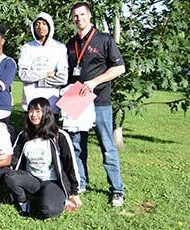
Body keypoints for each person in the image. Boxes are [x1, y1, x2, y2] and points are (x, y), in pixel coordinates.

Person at [66, 2, 126, 206]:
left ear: (89, 16)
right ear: (72, 19)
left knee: (106, 145)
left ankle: (117, 189)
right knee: (76, 146)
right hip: (76, 100)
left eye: (82, 14)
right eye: (75, 15)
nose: (78, 18)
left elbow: (119, 69)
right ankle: (81, 182)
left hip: (100, 101)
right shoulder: (70, 43)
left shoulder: (104, 39)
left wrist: (94, 82)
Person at [4, 98, 81, 219]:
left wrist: (74, 192)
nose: (33, 115)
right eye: (30, 111)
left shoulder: (59, 136)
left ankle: (59, 199)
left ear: (46, 112)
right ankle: (24, 203)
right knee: (10, 177)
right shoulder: (24, 135)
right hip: (31, 180)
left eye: (38, 111)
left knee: (46, 211)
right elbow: (14, 157)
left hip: (52, 182)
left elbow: (70, 164)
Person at [18, 12, 68, 115]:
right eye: (37, 24)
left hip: (51, 103)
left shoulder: (60, 48)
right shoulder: (27, 48)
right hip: (30, 103)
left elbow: (63, 78)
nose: (40, 27)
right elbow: (23, 75)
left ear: (50, 26)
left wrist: (38, 82)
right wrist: (46, 74)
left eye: (44, 23)